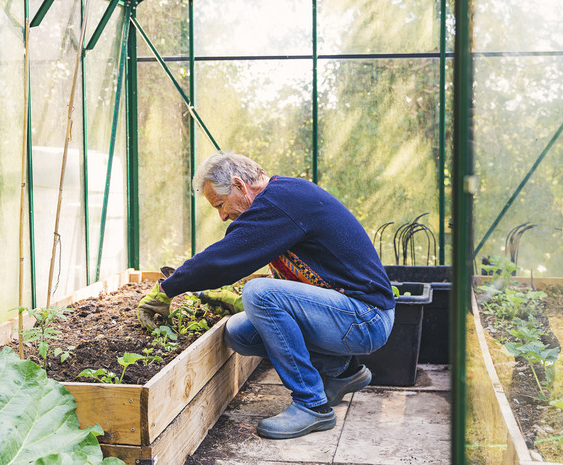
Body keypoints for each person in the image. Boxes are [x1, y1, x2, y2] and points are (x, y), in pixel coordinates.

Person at [136, 150, 395, 439]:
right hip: (345, 314)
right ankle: (342, 371)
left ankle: (313, 405)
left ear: (239, 186)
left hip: (366, 318)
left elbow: (225, 257)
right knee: (238, 332)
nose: (222, 216)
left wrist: (166, 288)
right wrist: (234, 301)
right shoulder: (279, 200)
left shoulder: (281, 202)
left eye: (220, 204)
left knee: (259, 292)